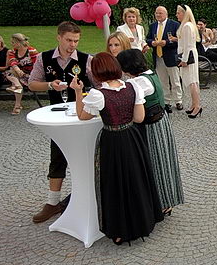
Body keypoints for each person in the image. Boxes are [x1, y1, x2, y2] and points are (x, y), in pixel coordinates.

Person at [71, 52, 163, 245]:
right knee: (136, 177)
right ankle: (144, 220)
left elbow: (82, 115)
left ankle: (121, 228)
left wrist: (78, 92)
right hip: (132, 137)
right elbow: (139, 118)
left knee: (115, 182)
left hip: (113, 141)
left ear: (96, 72)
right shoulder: (133, 87)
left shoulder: (98, 95)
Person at [28, 21, 94, 223]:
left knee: (89, 156)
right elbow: (32, 84)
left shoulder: (86, 59)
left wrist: (85, 93)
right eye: (69, 40)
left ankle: (91, 197)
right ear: (59, 37)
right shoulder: (44, 58)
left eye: (76, 41)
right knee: (57, 157)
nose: (72, 45)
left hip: (82, 117)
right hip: (58, 118)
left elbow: (100, 85)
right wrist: (50, 85)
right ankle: (52, 202)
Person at [118, 49, 185, 216]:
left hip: (152, 126)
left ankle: (162, 203)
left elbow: (124, 101)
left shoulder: (138, 82)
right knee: (165, 161)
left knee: (157, 163)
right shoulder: (150, 75)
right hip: (161, 122)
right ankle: (166, 200)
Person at [147, 6, 183, 113]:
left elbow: (179, 40)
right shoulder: (153, 26)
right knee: (163, 81)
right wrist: (152, 43)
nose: (158, 15)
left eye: (160, 13)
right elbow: (148, 39)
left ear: (166, 14)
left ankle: (178, 100)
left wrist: (166, 42)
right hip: (158, 57)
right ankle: (166, 102)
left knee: (175, 80)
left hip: (170, 56)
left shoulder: (174, 24)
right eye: (156, 13)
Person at [175, 5, 203, 118]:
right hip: (189, 54)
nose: (177, 15)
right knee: (192, 81)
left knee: (192, 82)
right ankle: (194, 104)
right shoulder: (188, 25)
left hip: (188, 55)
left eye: (178, 13)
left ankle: (197, 106)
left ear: (184, 13)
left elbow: (188, 45)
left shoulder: (187, 26)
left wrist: (184, 60)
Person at [3, 33, 38, 115]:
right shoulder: (13, 52)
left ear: (18, 42)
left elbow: (37, 65)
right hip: (18, 74)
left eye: (13, 42)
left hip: (31, 75)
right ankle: (18, 87)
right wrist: (18, 71)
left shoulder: (31, 51)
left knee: (13, 77)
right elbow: (13, 63)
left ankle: (17, 104)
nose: (11, 44)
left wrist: (22, 73)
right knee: (11, 72)